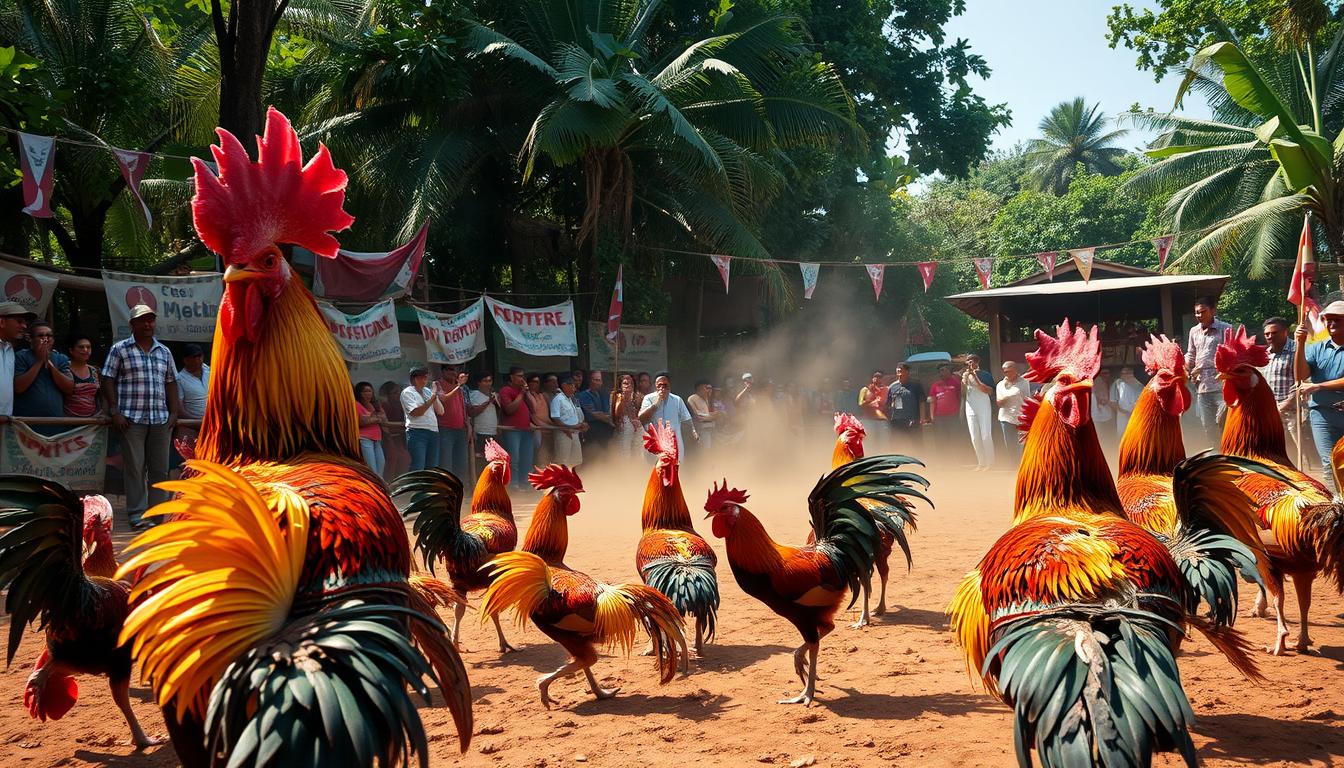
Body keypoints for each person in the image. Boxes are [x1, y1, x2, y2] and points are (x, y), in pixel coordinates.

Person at [102, 304, 178, 529]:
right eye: (143, 320)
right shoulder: (120, 349)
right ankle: (137, 515)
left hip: (160, 419)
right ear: (132, 324)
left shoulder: (164, 352)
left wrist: (173, 412)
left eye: (151, 320)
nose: (148, 324)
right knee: (135, 468)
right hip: (131, 419)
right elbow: (107, 379)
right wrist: (114, 410)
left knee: (160, 469)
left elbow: (171, 382)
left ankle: (157, 516)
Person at [1295, 301, 1344, 491]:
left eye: (1337, 320)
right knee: (1329, 464)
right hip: (1322, 415)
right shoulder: (1316, 348)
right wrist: (1300, 344)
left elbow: (1313, 384)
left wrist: (1318, 386)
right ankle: (1338, 507)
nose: (1331, 324)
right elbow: (1300, 376)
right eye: (1328, 320)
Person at [1185, 295, 1232, 448]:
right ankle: (1218, 457)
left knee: (1225, 423)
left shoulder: (1226, 329)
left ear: (1213, 310)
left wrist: (1205, 365)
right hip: (1202, 387)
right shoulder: (1194, 331)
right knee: (1208, 426)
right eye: (1197, 312)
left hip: (1222, 387)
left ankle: (1231, 455)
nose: (1199, 315)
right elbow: (1191, 353)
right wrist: (1185, 367)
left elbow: (1232, 355)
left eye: (1203, 312)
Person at [14, 319, 73, 434]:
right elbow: (19, 388)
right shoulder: (21, 356)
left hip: (55, 423)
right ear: (30, 339)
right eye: (40, 335)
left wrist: (49, 364)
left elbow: (69, 388)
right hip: (26, 425)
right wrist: (40, 361)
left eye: (49, 336)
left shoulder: (61, 358)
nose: (45, 339)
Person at [1262, 317, 1305, 466]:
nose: (1270, 336)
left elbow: (1300, 382)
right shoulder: (1265, 354)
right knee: (1278, 449)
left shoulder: (1296, 350)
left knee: (1302, 450)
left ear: (1285, 332)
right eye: (1267, 334)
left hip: (1294, 410)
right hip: (1271, 410)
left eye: (1274, 333)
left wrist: (1285, 404)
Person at [638, 371, 697, 462]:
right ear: (655, 386)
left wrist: (693, 431)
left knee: (674, 470)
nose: (662, 388)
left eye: (665, 385)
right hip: (655, 442)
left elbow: (686, 419)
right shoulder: (649, 398)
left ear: (670, 386)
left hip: (674, 442)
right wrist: (656, 404)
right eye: (659, 385)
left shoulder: (677, 400)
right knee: (654, 470)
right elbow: (641, 418)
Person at [495, 366, 535, 488]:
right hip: (512, 430)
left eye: (523, 376)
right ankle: (513, 484)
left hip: (526, 429)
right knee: (514, 458)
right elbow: (509, 409)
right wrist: (522, 393)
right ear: (511, 377)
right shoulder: (506, 390)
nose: (522, 379)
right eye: (519, 376)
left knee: (527, 458)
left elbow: (533, 409)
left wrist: (526, 393)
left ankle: (525, 483)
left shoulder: (523, 392)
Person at [400, 365, 443, 472]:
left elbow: (441, 411)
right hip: (417, 432)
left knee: (432, 467)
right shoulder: (408, 392)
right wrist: (432, 398)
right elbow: (416, 412)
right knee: (417, 466)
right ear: (414, 379)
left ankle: (428, 488)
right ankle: (415, 488)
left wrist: (435, 396)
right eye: (421, 377)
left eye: (425, 377)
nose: (424, 380)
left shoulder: (428, 392)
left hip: (433, 431)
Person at [435, 365, 471, 482]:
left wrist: (468, 425)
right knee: (446, 462)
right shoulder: (437, 384)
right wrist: (458, 386)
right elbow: (443, 399)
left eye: (456, 369)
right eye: (450, 369)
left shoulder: (459, 387)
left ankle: (460, 490)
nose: (454, 372)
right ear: (443, 371)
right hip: (445, 429)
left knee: (461, 462)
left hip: (461, 428)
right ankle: (447, 489)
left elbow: (462, 407)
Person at [962, 354, 995, 470]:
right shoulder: (965, 375)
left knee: (985, 435)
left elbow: (988, 391)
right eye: (967, 362)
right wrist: (965, 378)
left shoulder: (985, 375)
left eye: (971, 362)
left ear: (977, 362)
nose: (969, 364)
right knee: (974, 437)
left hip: (983, 403)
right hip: (970, 405)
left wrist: (974, 375)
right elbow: (962, 393)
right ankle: (981, 463)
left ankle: (990, 463)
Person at [549, 374, 588, 467]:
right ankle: (562, 481)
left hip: (574, 432)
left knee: (575, 460)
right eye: (572, 385)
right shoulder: (557, 399)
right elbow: (555, 418)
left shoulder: (570, 399)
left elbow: (572, 417)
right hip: (563, 433)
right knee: (563, 460)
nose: (574, 388)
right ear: (564, 385)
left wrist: (580, 424)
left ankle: (572, 479)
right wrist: (565, 429)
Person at [886, 362, 927, 448]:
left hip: (912, 420)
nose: (899, 374)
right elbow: (888, 404)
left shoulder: (916, 385)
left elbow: (922, 401)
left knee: (917, 445)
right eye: (897, 372)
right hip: (897, 421)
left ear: (907, 372)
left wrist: (922, 419)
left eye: (901, 371)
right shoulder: (892, 387)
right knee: (898, 445)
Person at [0, 302, 30, 420]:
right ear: (2, 322)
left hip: (5, 421)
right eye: (19, 321)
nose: (24, 326)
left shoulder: (9, 349)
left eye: (25, 322)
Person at [927, 363, 962, 460]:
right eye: (939, 371)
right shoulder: (935, 385)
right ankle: (943, 461)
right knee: (941, 440)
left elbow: (960, 398)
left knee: (955, 439)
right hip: (939, 418)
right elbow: (932, 401)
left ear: (948, 371)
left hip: (953, 417)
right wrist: (932, 417)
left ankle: (956, 460)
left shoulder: (956, 383)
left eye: (943, 370)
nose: (941, 373)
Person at [995, 361, 1027, 464]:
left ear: (1015, 370)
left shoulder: (1024, 382)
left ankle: (1020, 465)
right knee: (1009, 444)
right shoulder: (1000, 385)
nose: (1006, 373)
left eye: (1008, 371)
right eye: (1004, 371)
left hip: (1020, 417)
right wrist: (1008, 397)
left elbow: (1027, 399)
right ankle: (1013, 464)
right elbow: (999, 403)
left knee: (1021, 444)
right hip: (1006, 418)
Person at [577, 370, 614, 457]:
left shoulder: (604, 394)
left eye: (599, 380)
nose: (598, 382)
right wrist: (612, 420)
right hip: (592, 429)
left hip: (606, 429)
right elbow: (595, 414)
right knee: (592, 455)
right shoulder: (583, 395)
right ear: (590, 380)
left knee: (606, 455)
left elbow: (608, 411)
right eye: (595, 380)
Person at [354, 381, 387, 476]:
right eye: (366, 391)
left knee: (381, 464)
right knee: (371, 467)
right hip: (365, 438)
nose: (369, 394)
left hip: (377, 439)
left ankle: (379, 486)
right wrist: (377, 418)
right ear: (359, 393)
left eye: (370, 391)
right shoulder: (356, 404)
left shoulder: (374, 405)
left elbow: (384, 419)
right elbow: (361, 421)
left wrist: (373, 418)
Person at [64, 334, 100, 418]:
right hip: (67, 422)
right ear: (71, 350)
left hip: (92, 422)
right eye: (81, 347)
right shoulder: (64, 369)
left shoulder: (94, 371)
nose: (85, 350)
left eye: (88, 347)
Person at [379, 380, 409, 479]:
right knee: (393, 458)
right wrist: (402, 425)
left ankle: (399, 482)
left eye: (399, 391)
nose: (398, 394)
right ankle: (388, 483)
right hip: (389, 437)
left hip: (401, 436)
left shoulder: (402, 404)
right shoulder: (384, 405)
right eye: (394, 393)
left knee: (405, 458)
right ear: (387, 394)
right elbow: (384, 424)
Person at [466, 371, 500, 453]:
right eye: (485, 381)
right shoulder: (474, 395)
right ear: (479, 382)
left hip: (494, 432)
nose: (488, 383)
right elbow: (473, 413)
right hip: (480, 432)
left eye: (490, 381)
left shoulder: (495, 395)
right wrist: (488, 402)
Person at [612, 373, 642, 459]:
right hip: (625, 425)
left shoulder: (637, 396)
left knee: (638, 451)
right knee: (625, 452)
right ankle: (625, 469)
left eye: (630, 383)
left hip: (637, 425)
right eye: (625, 383)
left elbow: (640, 410)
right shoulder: (618, 396)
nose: (628, 385)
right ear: (620, 386)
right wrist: (624, 397)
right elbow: (617, 412)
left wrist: (636, 420)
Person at [686, 379, 719, 453]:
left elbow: (714, 415)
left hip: (711, 430)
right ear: (699, 388)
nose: (708, 390)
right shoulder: (692, 398)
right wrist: (712, 417)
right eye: (706, 388)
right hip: (701, 431)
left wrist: (712, 416)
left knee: (711, 452)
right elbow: (698, 417)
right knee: (704, 452)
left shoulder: (707, 399)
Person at [1111, 365, 1144, 439]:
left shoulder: (1140, 385)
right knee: (1122, 436)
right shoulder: (1117, 384)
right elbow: (1113, 402)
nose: (1127, 375)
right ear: (1121, 374)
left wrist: (1134, 412)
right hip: (1122, 415)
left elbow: (1143, 401)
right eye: (1124, 373)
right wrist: (1123, 412)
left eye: (1129, 373)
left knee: (1135, 436)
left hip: (1136, 414)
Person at [858, 370, 888, 441]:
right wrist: (871, 401)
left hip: (881, 420)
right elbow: (860, 403)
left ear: (882, 379)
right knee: (869, 441)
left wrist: (869, 403)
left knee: (882, 441)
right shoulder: (865, 390)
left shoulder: (885, 389)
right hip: (868, 420)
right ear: (872, 378)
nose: (877, 378)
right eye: (875, 376)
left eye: (879, 377)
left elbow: (882, 402)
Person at [1091, 367, 1115, 445]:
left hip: (1108, 414)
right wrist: (1102, 401)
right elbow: (1096, 397)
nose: (1107, 375)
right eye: (1104, 373)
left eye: (1108, 373)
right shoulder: (1096, 382)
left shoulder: (1109, 382)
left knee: (1107, 433)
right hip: (1098, 414)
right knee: (1099, 436)